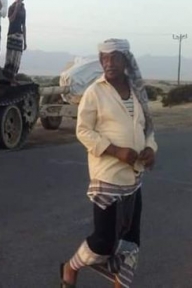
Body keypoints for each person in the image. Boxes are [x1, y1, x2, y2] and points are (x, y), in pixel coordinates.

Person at [60, 39, 158, 288]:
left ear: (126, 60)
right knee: (103, 242)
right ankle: (71, 267)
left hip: (134, 178)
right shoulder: (95, 92)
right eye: (104, 58)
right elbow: (83, 131)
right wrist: (115, 151)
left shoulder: (136, 91)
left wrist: (150, 148)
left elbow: (147, 128)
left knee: (130, 243)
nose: (109, 63)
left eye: (114, 57)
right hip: (107, 176)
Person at [2, 0, 27, 85]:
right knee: (10, 57)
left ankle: (13, 77)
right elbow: (11, 20)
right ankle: (7, 76)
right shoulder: (11, 8)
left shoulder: (23, 10)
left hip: (19, 35)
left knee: (17, 58)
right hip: (12, 33)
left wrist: (25, 40)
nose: (18, 0)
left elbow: (24, 25)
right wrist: (16, 9)